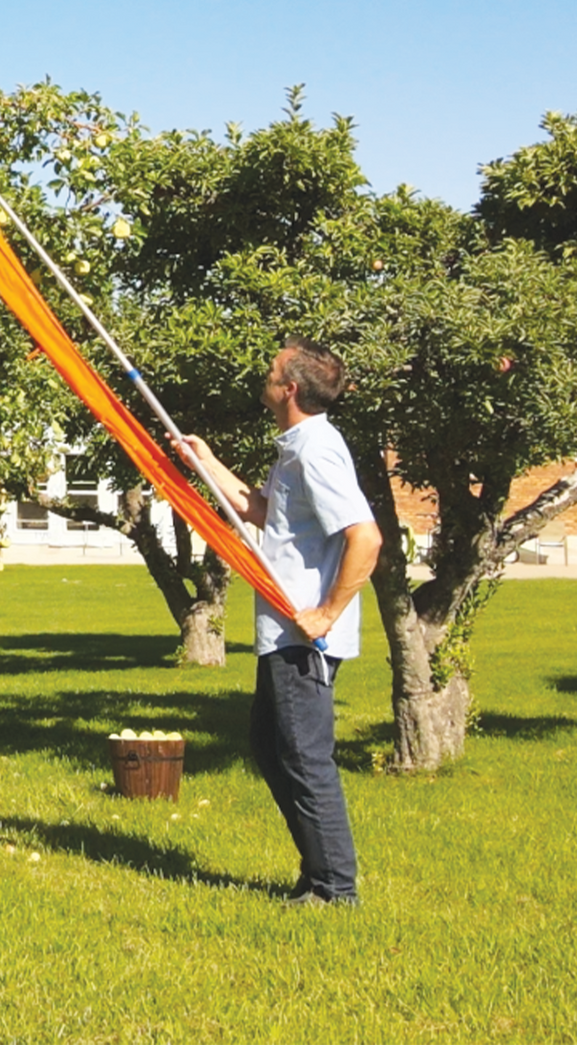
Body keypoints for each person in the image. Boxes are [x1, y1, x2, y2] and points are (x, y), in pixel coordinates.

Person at [177, 337, 382, 905]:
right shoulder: (296, 447)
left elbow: (365, 538)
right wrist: (206, 459)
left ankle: (336, 888)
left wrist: (326, 614)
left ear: (289, 389)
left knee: (304, 757)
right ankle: (319, 872)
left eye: (271, 372)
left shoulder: (317, 449)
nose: (263, 377)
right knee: (269, 747)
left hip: (303, 638)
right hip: (282, 632)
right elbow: (264, 513)